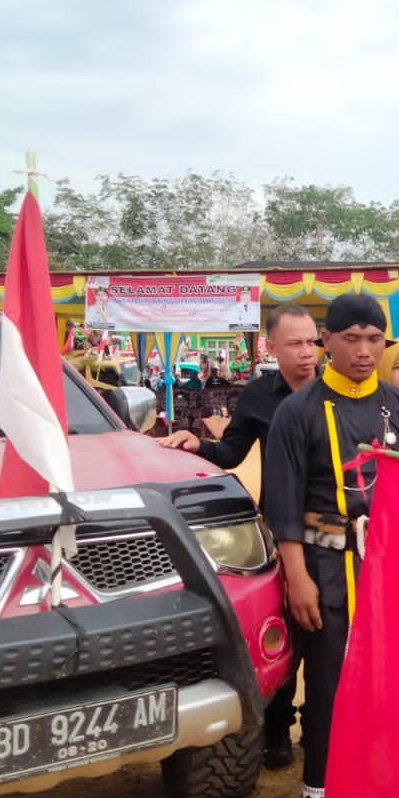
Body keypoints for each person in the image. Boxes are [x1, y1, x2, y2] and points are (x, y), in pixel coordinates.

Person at [261, 293, 399, 798]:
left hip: (388, 566)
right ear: (326, 342)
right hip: (325, 565)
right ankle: (319, 796)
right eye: (350, 339)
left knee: (389, 678)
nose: (363, 351)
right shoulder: (298, 411)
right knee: (331, 683)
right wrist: (299, 577)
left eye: (374, 340)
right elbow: (281, 505)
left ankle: (383, 787)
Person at [161, 304, 322, 769]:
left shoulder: (334, 393)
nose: (308, 352)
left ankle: (319, 726)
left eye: (312, 341)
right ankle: (276, 728)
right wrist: (198, 444)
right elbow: (232, 451)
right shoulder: (258, 395)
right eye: (295, 343)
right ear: (271, 347)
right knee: (285, 626)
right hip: (279, 526)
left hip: (332, 527)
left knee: (328, 633)